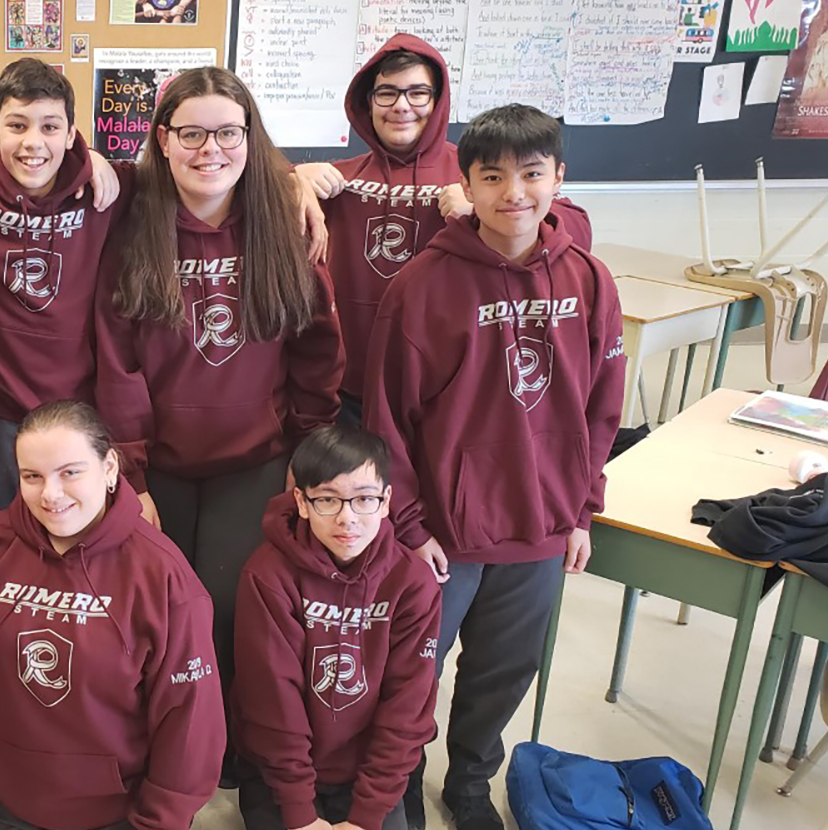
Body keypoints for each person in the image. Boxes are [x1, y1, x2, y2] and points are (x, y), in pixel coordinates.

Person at [362, 104, 622, 830]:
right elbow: (388, 417)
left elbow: (604, 407)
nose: (514, 192)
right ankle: (403, 780)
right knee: (412, 671)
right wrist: (410, 526)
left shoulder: (592, 282)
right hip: (444, 534)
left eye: (532, 174)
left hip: (538, 529)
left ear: (559, 179)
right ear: (466, 185)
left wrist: (581, 510)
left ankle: (471, 782)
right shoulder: (421, 285)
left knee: (503, 673)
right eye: (493, 176)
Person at [89, 66, 342, 692]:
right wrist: (132, 472)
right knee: (164, 605)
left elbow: (316, 350)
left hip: (255, 457)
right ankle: (170, 735)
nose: (211, 151)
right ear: (163, 139)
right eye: (193, 134)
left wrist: (310, 449)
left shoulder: (285, 226)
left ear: (251, 139)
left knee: (231, 606)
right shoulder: (128, 230)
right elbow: (117, 363)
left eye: (229, 133)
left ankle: (230, 743)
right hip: (160, 464)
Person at [292, 36, 598, 427]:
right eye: (386, 93)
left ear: (438, 101)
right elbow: (249, 202)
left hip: (448, 385)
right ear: (367, 103)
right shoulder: (337, 179)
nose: (402, 106)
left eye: (418, 93)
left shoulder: (479, 175)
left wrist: (485, 209)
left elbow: (576, 230)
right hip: (350, 387)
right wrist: (291, 181)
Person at [0, 400, 223, 830]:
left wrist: (159, 821)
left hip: (116, 814)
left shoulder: (161, 574)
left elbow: (190, 721)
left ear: (110, 467)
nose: (51, 495)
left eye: (70, 472)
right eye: (32, 476)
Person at [0, 58, 124, 539]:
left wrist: (295, 180)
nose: (33, 142)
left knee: (76, 548)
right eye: (17, 125)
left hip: (79, 412)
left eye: (50, 127)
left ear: (71, 133)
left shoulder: (107, 190)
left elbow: (205, 179)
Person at [230, 426, 440, 830]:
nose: (348, 518)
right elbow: (271, 701)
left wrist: (366, 815)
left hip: (365, 774)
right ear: (302, 502)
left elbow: (407, 707)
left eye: (364, 499)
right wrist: (300, 813)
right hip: (279, 775)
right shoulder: (267, 574)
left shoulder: (413, 581)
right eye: (327, 499)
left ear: (386, 502)